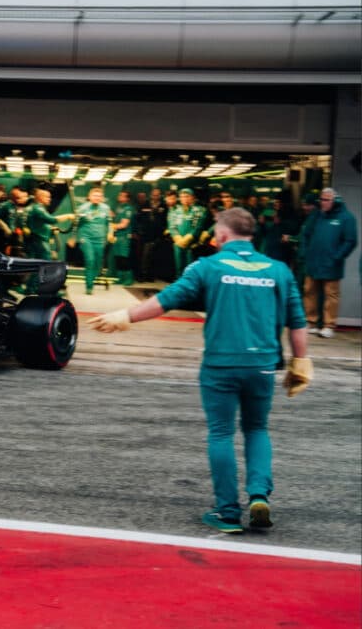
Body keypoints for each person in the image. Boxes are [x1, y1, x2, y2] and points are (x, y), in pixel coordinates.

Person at [89, 207, 311, 534]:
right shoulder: (280, 270)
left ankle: (228, 512)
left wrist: (125, 316)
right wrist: (300, 362)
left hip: (221, 364)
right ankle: (258, 495)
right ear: (251, 235)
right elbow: (298, 322)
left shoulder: (208, 266)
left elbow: (166, 299)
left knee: (221, 433)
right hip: (262, 365)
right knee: (256, 429)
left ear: (222, 234)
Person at [300, 187, 358, 339]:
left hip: (332, 263)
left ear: (335, 201)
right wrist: (305, 252)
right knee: (309, 291)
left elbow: (350, 241)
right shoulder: (316, 215)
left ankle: (328, 325)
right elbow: (306, 234)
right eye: (321, 199)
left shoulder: (346, 218)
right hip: (313, 261)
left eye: (326, 200)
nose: (322, 202)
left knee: (331, 294)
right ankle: (311, 322)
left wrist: (337, 256)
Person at [75, 187, 113, 294]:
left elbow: (109, 223)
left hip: (100, 239)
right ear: (89, 197)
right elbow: (75, 223)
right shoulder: (82, 208)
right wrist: (74, 237)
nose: (97, 198)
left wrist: (110, 233)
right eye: (95, 195)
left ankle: (91, 278)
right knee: (90, 260)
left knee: (98, 264)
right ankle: (89, 286)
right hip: (86, 238)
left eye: (99, 196)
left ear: (102, 198)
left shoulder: (106, 208)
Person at [168, 188, 207, 277]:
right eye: (182, 197)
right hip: (178, 243)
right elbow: (172, 226)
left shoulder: (199, 210)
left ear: (192, 197)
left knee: (190, 268)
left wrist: (187, 239)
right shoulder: (175, 210)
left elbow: (197, 227)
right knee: (179, 268)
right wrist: (178, 238)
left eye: (186, 196)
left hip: (191, 244)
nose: (184, 199)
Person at [111, 190, 135, 285]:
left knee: (124, 258)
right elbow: (113, 216)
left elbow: (124, 224)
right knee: (118, 258)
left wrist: (112, 226)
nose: (120, 196)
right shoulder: (118, 207)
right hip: (116, 236)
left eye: (123, 195)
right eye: (120, 195)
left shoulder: (128, 208)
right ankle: (120, 278)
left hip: (124, 237)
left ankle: (129, 278)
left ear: (127, 198)